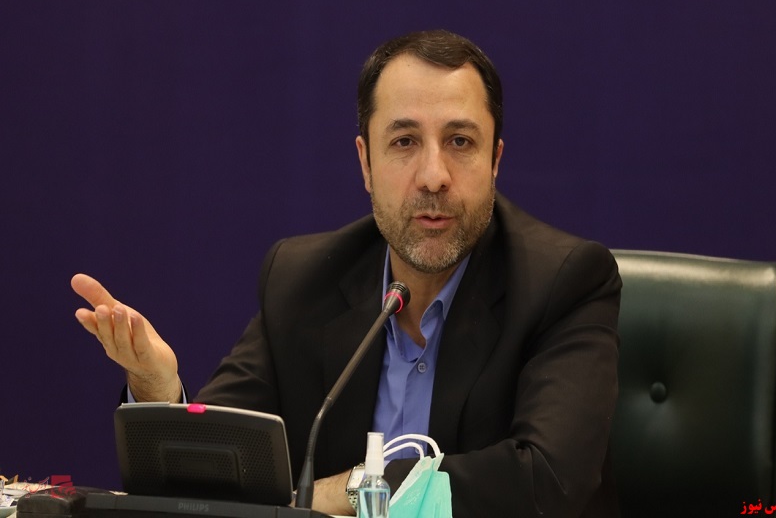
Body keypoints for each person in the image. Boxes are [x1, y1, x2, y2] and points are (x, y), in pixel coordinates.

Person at [72, 29, 621, 517]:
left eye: (460, 141)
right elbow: (223, 479)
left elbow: (547, 481)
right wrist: (159, 391)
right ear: (365, 163)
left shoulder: (563, 282)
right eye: (404, 142)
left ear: (495, 161)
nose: (434, 176)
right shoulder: (302, 279)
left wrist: (356, 488)